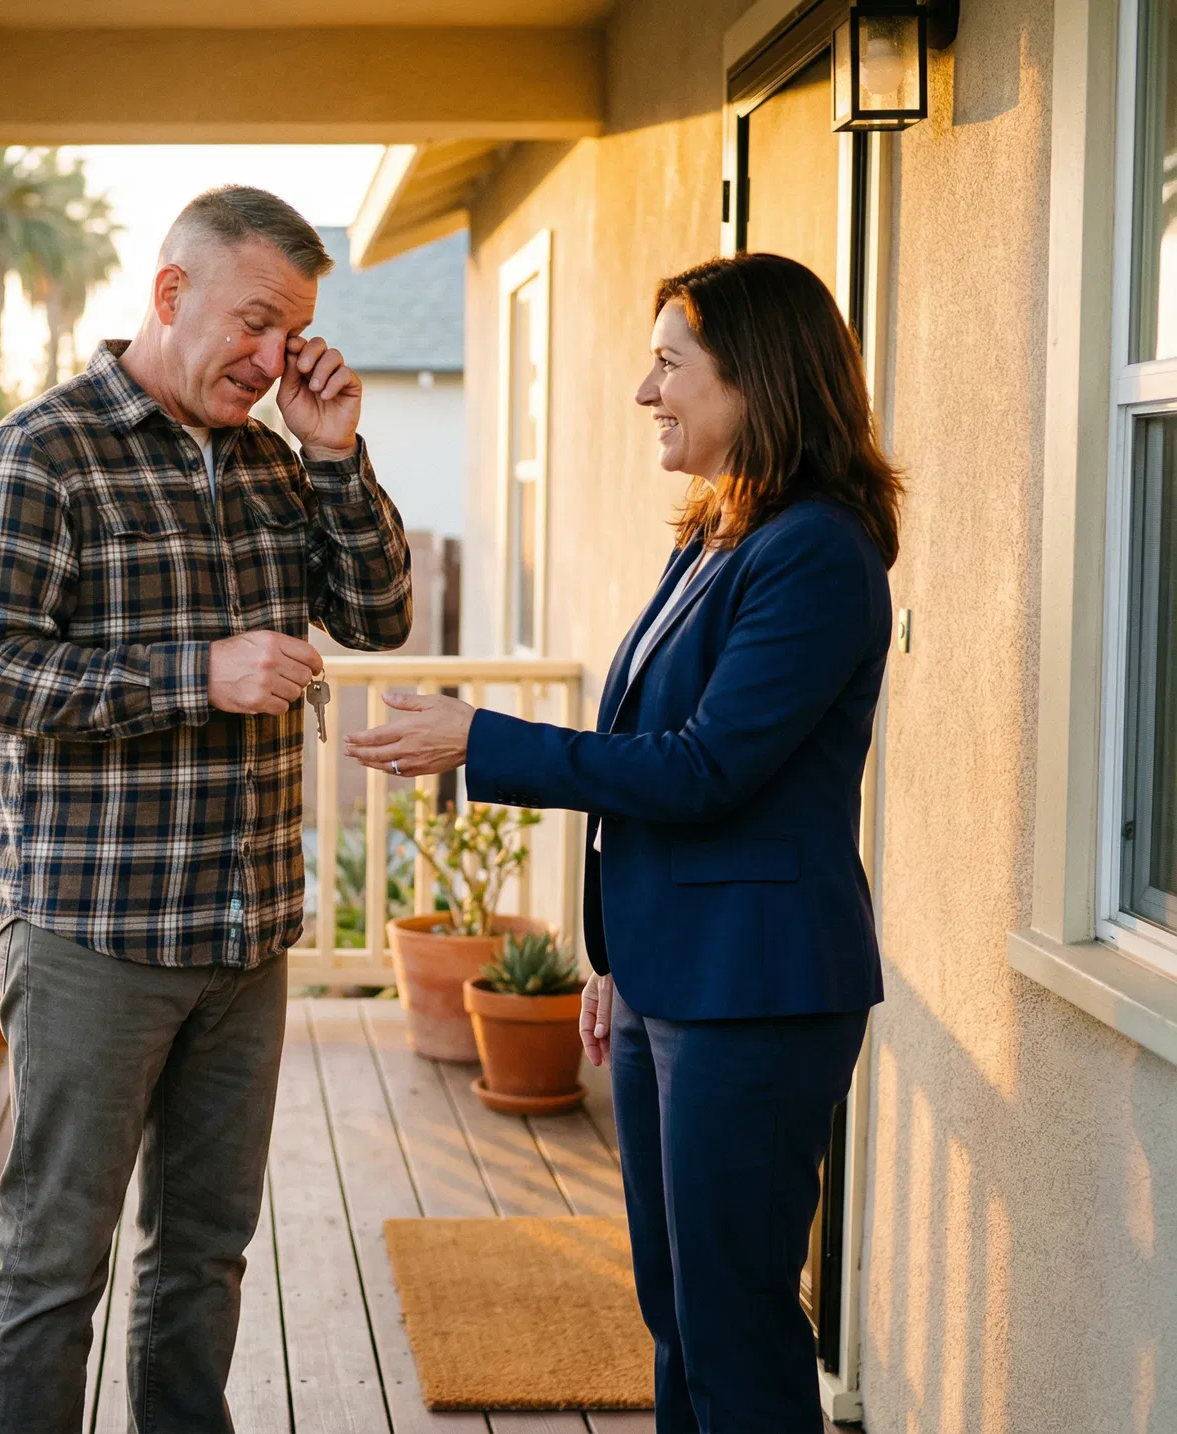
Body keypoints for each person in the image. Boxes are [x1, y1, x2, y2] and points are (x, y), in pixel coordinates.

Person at [345, 251, 898, 1432]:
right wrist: (615, 960)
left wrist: (482, 739)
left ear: (755, 376)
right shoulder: (716, 535)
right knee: (676, 1311)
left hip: (754, 993)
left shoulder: (816, 552)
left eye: (669, 364)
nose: (647, 392)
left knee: (734, 1325)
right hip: (671, 980)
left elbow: (703, 768)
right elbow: (651, 752)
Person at [0, 184, 413, 1434]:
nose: (272, 358)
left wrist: (334, 455)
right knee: (54, 1267)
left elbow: (377, 616)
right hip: (94, 940)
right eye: (255, 323)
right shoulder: (39, 454)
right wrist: (195, 675)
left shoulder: (274, 461)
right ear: (170, 293)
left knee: (205, 1254)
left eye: (292, 333)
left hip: (245, 935)